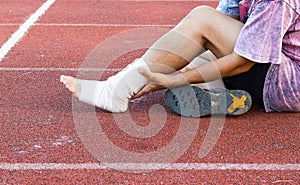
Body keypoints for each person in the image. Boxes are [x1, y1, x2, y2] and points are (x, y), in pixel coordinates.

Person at [60, 0, 300, 117]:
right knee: (194, 51)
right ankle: (219, 96)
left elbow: (244, 60)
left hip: (285, 84)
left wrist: (177, 79)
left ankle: (117, 90)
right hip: (266, 64)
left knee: (202, 18)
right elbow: (214, 36)